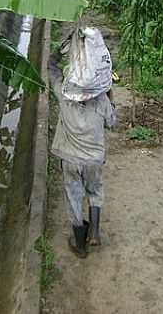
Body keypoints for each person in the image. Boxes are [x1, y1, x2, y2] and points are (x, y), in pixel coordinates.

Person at [48, 33, 116, 259]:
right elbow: (111, 123)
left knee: (73, 196)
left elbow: (51, 68)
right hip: (94, 159)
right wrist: (109, 93)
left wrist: (61, 49)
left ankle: (79, 244)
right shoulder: (102, 101)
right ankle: (94, 233)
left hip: (70, 159)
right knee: (95, 191)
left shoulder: (64, 96)